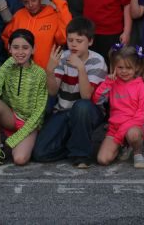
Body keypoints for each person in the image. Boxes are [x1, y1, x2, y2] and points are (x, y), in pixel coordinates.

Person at [33, 17, 108, 167]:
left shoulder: (97, 61)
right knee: (40, 153)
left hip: (89, 111)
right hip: (64, 109)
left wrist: (81, 68)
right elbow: (53, 92)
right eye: (70, 40)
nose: (73, 44)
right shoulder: (63, 56)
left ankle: (81, 155)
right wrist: (49, 71)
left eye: (79, 41)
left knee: (81, 106)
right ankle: (73, 146)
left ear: (90, 42)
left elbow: (86, 96)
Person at [0, 29, 48, 166]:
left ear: (33, 49)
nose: (20, 52)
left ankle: (15, 143)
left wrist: (15, 139)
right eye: (15, 47)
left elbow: (39, 113)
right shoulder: (6, 68)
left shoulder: (40, 74)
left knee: (20, 159)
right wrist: (6, 65)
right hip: (11, 118)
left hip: (29, 124)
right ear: (9, 48)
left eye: (25, 47)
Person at [93, 44, 144, 168]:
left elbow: (143, 114)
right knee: (103, 159)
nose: (124, 71)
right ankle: (123, 146)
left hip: (134, 125)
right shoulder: (112, 83)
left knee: (133, 135)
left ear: (137, 67)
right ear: (114, 67)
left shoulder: (141, 86)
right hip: (115, 127)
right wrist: (107, 83)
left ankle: (137, 152)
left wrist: (122, 132)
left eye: (128, 68)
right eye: (120, 67)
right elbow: (97, 100)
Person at [1, 0, 72, 70]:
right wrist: (15, 55)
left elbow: (64, 38)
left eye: (33, 0)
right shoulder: (18, 15)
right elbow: (6, 38)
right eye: (26, 2)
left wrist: (60, 3)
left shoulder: (53, 15)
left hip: (47, 72)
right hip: (21, 71)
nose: (30, 5)